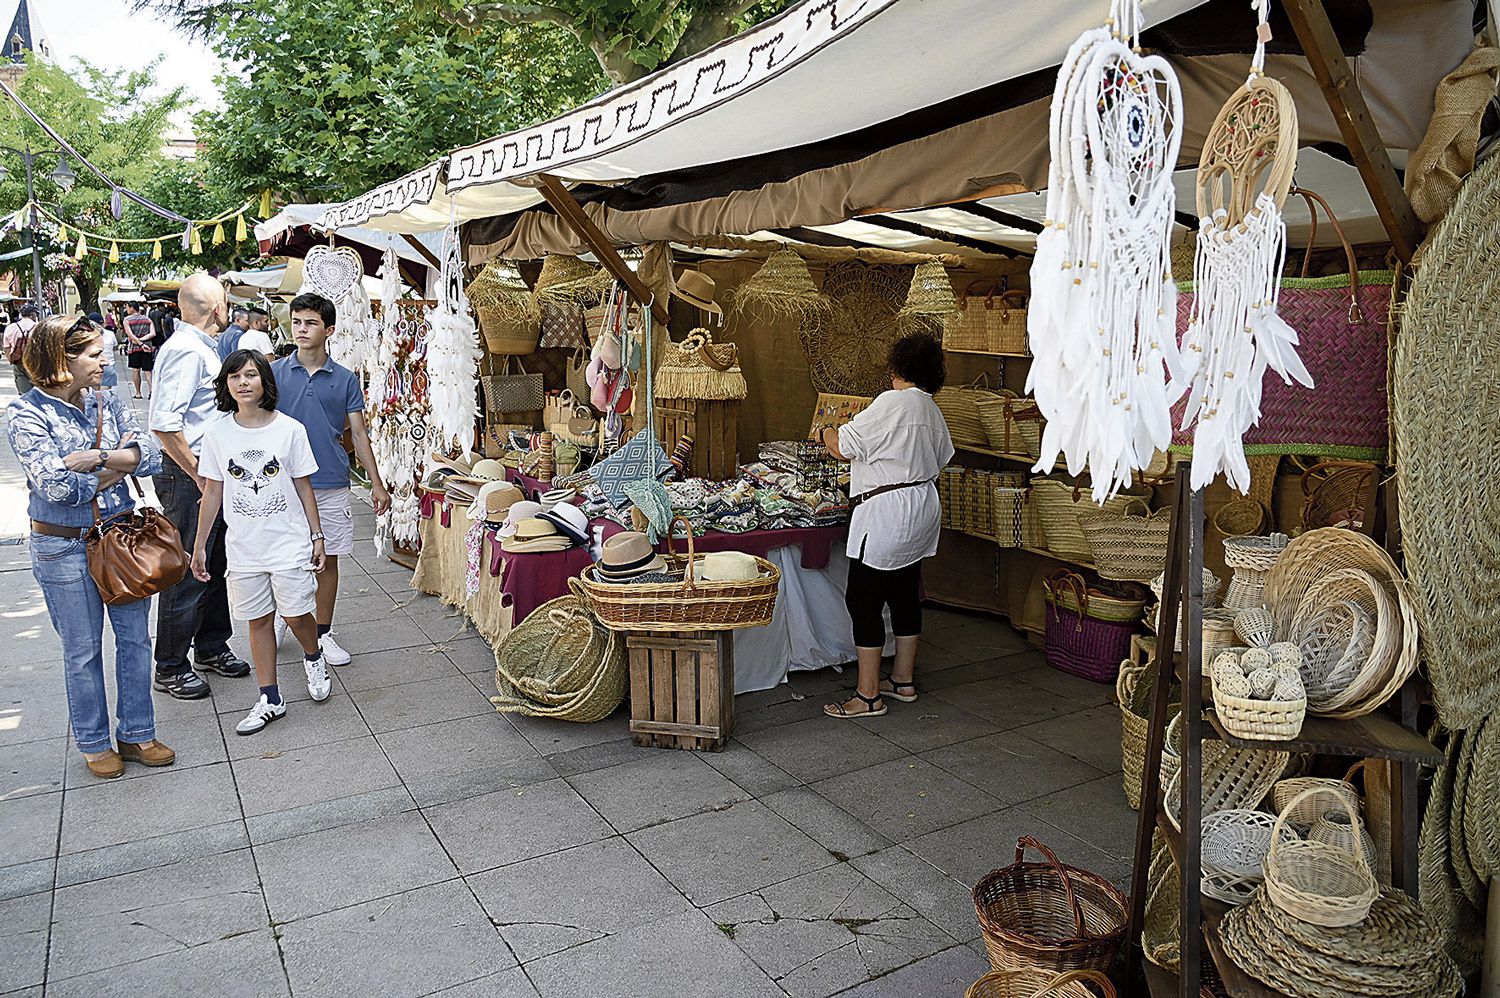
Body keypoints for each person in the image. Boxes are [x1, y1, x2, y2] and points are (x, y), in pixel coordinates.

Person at [4, 315, 174, 778]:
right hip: (62, 547)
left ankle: (138, 732)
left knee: (136, 639)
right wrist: (122, 464)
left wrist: (98, 459)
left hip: (121, 541)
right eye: (94, 354)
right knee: (82, 650)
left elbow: (153, 456)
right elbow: (58, 487)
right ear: (61, 360)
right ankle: (95, 741)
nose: (106, 360)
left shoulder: (109, 400)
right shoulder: (25, 414)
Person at [192, 349, 330, 734]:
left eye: (250, 375)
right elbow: (213, 492)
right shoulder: (218, 433)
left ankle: (312, 653)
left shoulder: (289, 430)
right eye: (234, 377)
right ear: (226, 384)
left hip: (288, 541)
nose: (243, 383)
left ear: (264, 381)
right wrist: (200, 544)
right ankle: (270, 697)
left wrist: (317, 535)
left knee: (296, 613)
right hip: (244, 547)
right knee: (257, 620)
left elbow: (304, 486)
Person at [816, 333, 954, 719]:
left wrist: (824, 431)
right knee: (905, 592)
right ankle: (903, 680)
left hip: (888, 510)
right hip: (922, 504)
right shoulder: (931, 409)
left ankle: (868, 694)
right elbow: (942, 455)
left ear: (897, 368)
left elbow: (845, 445)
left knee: (864, 599)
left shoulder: (892, 402)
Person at [270, 292, 389, 664]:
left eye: (310, 323)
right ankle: (284, 616)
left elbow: (359, 434)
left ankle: (324, 632)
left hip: (332, 480)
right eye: (297, 322)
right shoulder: (273, 373)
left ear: (329, 330)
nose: (302, 329)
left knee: (329, 559)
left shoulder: (346, 379)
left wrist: (377, 483)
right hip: (281, 482)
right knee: (283, 558)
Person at [148, 273, 250, 699]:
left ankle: (210, 647)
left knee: (213, 564)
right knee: (192, 568)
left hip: (208, 476)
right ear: (218, 308)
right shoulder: (187, 351)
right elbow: (164, 424)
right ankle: (170, 665)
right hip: (189, 476)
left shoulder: (198, 348)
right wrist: (198, 476)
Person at [5, 304, 40, 396]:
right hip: (36, 362)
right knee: (39, 390)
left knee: (24, 393)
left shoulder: (11, 327)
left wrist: (11, 360)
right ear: (32, 314)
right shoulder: (39, 327)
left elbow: (6, 347)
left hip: (18, 362)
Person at [123, 303, 157, 398]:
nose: (126, 310)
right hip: (147, 347)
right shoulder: (147, 319)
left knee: (136, 370)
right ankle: (152, 390)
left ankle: (138, 393)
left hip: (134, 348)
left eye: (127, 308)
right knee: (148, 371)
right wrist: (143, 340)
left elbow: (130, 334)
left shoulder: (127, 320)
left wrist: (138, 342)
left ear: (132, 308)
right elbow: (153, 333)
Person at [90, 312, 118, 392]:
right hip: (109, 365)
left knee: (95, 391)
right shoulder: (110, 334)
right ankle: (102, 403)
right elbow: (115, 347)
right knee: (105, 392)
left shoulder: (88, 336)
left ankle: (98, 403)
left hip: (94, 365)